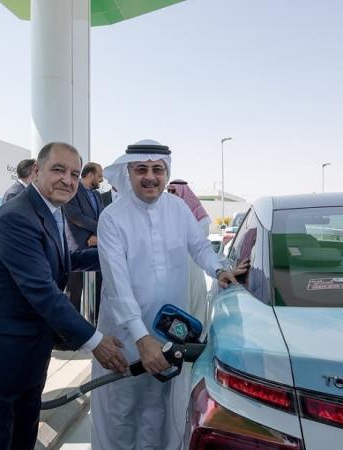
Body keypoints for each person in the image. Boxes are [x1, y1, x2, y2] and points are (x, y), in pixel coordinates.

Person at [0, 142, 128, 450]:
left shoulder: (49, 211)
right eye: (58, 170)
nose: (67, 180)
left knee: (22, 441)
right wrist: (96, 341)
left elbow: (67, 259)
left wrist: (114, 256)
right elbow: (42, 290)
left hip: (29, 355)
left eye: (74, 173)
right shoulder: (16, 217)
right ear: (37, 171)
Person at [91, 140, 245, 450]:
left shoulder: (177, 208)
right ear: (128, 173)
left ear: (166, 172)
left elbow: (200, 247)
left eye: (157, 170)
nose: (150, 177)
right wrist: (141, 339)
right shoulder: (112, 218)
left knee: (159, 408)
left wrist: (218, 269)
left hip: (168, 332)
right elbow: (118, 287)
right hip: (125, 337)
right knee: (123, 411)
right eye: (141, 170)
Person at [167, 179, 211, 326]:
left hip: (193, 264)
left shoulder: (198, 213)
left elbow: (200, 240)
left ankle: (198, 334)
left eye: (174, 191)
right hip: (174, 266)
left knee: (196, 298)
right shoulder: (167, 212)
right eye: (170, 191)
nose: (171, 194)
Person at [63, 162, 104, 313]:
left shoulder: (97, 195)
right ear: (90, 175)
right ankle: (69, 333)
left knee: (95, 295)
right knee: (74, 295)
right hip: (78, 249)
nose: (101, 180)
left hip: (96, 248)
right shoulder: (73, 190)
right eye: (99, 176)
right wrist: (99, 228)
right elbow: (75, 216)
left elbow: (103, 217)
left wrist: (97, 234)